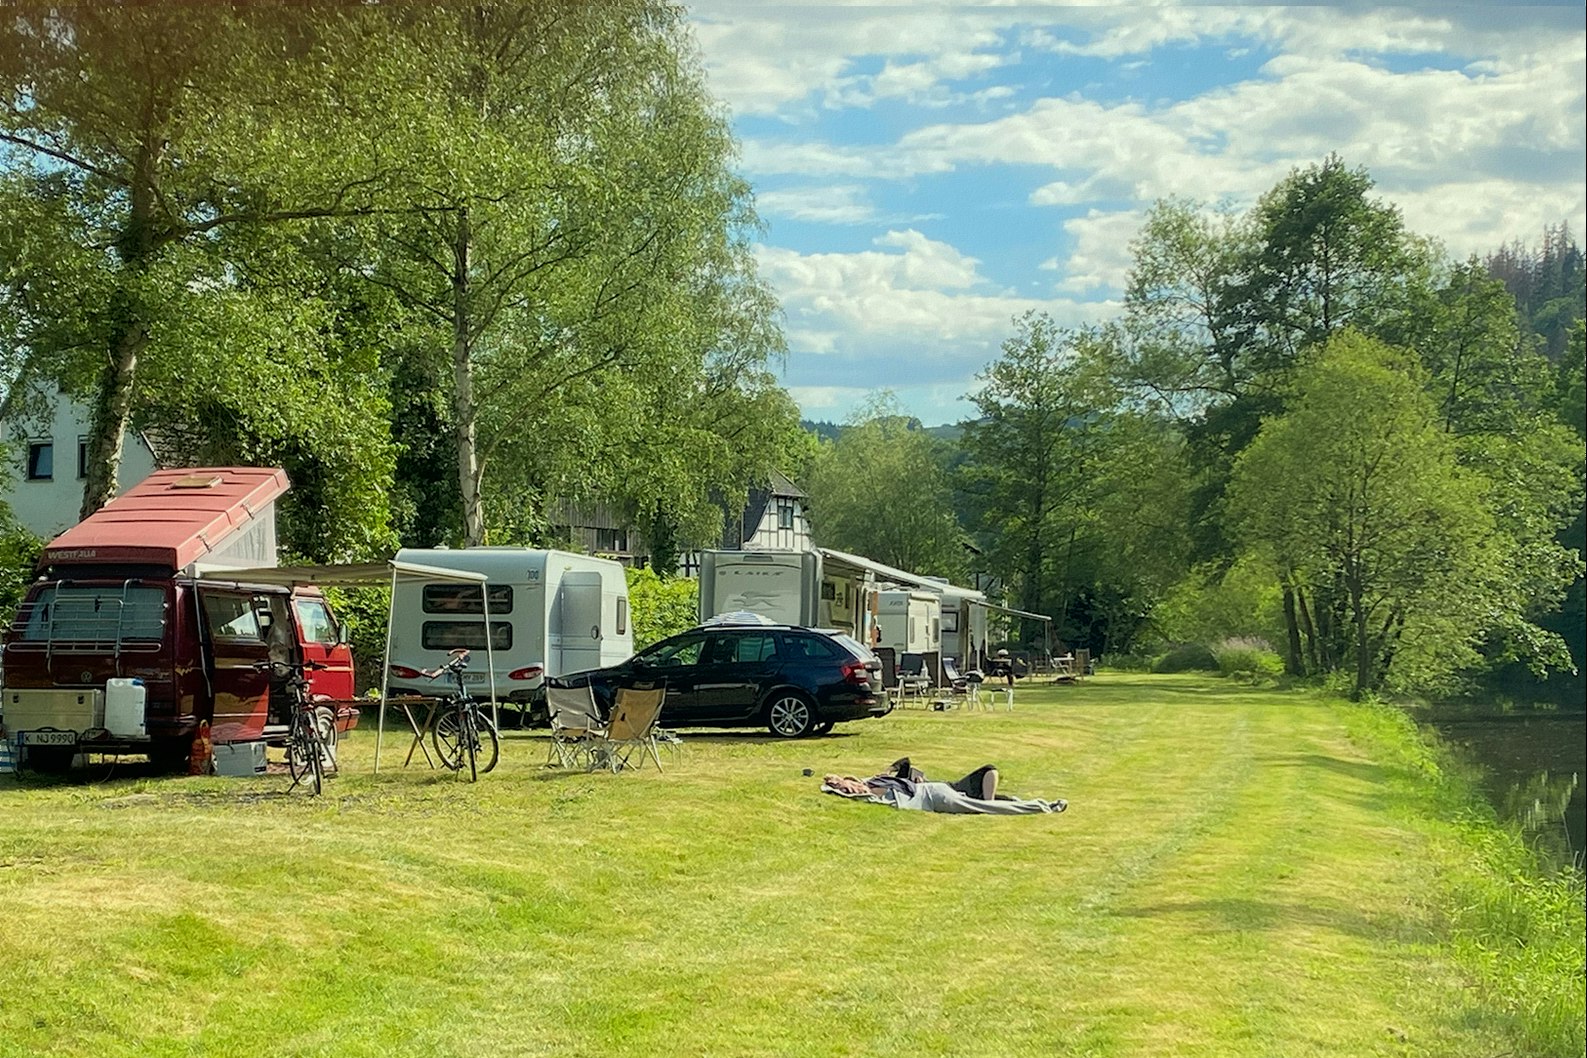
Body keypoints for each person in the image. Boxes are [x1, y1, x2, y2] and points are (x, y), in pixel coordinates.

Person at [821, 757, 1066, 815]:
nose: (850, 787)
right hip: (936, 793)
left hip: (936, 792)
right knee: (986, 807)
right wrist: (841, 787)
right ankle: (1043, 806)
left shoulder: (872, 783)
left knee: (985, 807)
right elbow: (858, 794)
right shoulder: (874, 793)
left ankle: (1044, 806)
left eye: (848, 784)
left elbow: (857, 782)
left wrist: (850, 781)